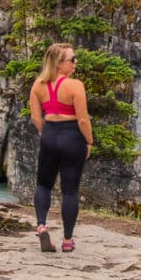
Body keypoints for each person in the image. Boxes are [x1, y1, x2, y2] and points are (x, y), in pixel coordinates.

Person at [24, 42, 91, 253]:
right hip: (72, 136)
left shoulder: (38, 85)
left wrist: (47, 134)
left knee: (43, 184)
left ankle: (42, 225)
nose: (75, 62)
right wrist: (88, 141)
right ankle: (68, 241)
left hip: (50, 133)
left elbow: (36, 117)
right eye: (72, 59)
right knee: (69, 190)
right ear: (60, 64)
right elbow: (82, 120)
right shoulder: (75, 86)